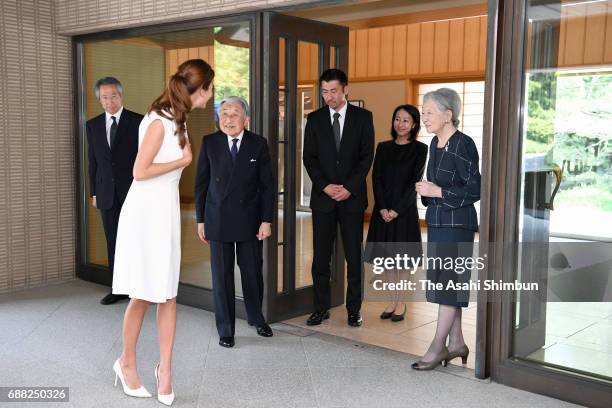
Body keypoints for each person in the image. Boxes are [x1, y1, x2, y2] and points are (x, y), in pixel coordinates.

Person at [111, 59, 215, 405]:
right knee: (142, 294)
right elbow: (139, 171)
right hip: (145, 216)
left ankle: (165, 370)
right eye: (209, 88)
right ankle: (126, 363)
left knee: (168, 293)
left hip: (164, 215)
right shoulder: (159, 121)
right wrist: (182, 162)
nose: (210, 96)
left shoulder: (178, 119)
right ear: (198, 90)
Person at [194, 96, 275, 348]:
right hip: (217, 219)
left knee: (251, 273)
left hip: (249, 220)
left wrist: (266, 220)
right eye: (224, 113)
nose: (228, 119)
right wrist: (200, 220)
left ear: (246, 119)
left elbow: (267, 187)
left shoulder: (258, 144)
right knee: (222, 277)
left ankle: (256, 317)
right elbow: (201, 185)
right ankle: (226, 328)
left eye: (234, 113)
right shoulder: (210, 142)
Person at [414, 88, 481, 370]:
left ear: (448, 115)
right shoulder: (434, 144)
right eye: (423, 112)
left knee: (448, 287)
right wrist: (427, 191)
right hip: (439, 223)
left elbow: (475, 189)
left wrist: (437, 191)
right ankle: (457, 343)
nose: (424, 117)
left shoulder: (463, 144)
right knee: (443, 285)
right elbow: (435, 187)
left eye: (429, 112)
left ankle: (437, 347)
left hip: (458, 225)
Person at [303, 68, 375, 327]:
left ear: (346, 89)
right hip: (323, 199)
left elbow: (367, 156)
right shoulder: (314, 119)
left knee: (353, 258)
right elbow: (308, 158)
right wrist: (324, 186)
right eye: (324, 91)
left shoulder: (363, 118)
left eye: (333, 91)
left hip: (351, 198)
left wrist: (349, 187)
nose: (328, 96)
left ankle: (354, 310)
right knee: (321, 256)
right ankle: (320, 308)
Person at [365, 105, 427, 322]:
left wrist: (396, 210)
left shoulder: (421, 149)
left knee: (403, 262)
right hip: (382, 211)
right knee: (387, 261)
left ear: (414, 125)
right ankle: (392, 300)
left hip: (404, 212)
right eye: (397, 119)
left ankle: (401, 302)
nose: (400, 124)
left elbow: (414, 183)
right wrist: (382, 207)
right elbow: (377, 179)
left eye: (406, 120)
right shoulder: (382, 147)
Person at [86, 77, 143, 305]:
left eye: (113, 96)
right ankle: (117, 287)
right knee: (113, 240)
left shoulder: (138, 122)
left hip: (134, 192)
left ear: (121, 95)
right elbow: (93, 162)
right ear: (99, 99)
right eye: (104, 97)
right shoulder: (92, 125)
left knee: (135, 240)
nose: (109, 101)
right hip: (106, 192)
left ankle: (138, 288)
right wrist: (94, 193)